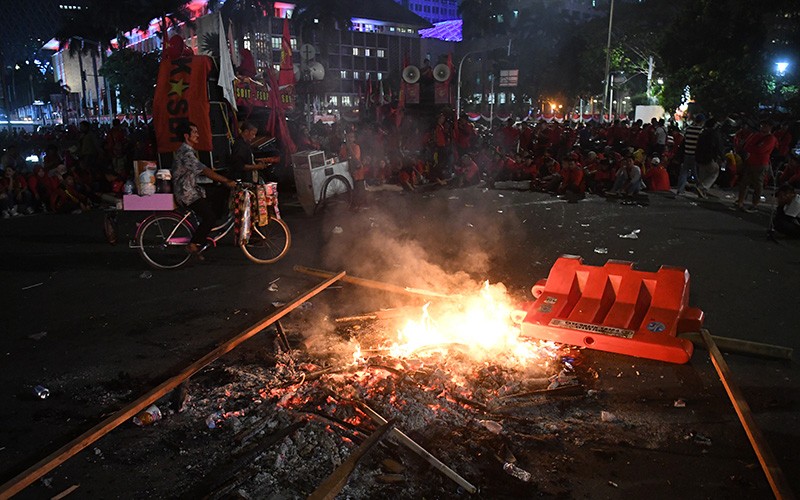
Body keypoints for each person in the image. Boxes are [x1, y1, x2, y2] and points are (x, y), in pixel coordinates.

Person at [172, 121, 237, 260]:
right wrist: (225, 180)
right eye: (194, 132)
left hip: (193, 190)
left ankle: (207, 230)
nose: (197, 135)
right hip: (186, 194)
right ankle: (193, 244)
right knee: (210, 217)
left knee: (219, 195)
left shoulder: (188, 151)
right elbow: (203, 169)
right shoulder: (185, 152)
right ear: (186, 136)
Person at [734, 120, 778, 212]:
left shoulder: (771, 138)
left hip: (761, 163)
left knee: (758, 184)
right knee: (744, 183)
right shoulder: (756, 135)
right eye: (762, 125)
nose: (763, 127)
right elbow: (746, 146)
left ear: (770, 127)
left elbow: (761, 150)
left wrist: (751, 148)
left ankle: (755, 204)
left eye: (766, 126)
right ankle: (740, 201)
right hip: (750, 161)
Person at [674, 114, 704, 196]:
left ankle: (680, 189)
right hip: (695, 154)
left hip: (687, 153)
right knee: (696, 173)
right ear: (702, 121)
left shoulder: (688, 129)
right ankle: (700, 188)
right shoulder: (701, 130)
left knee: (684, 172)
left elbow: (684, 141)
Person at [694, 118, 724, 198]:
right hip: (709, 157)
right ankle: (702, 188)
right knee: (715, 172)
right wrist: (722, 157)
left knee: (703, 175)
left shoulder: (702, 133)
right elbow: (718, 147)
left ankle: (702, 192)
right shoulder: (714, 134)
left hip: (699, 157)